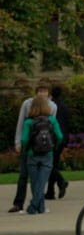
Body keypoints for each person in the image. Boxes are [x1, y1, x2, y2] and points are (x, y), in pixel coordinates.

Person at [9, 81, 57, 214]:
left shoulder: (52, 106)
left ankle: (38, 205)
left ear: (49, 93)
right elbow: (21, 123)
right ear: (36, 92)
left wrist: (50, 145)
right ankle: (19, 203)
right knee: (23, 175)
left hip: (43, 147)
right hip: (29, 145)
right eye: (40, 91)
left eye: (45, 91)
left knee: (40, 179)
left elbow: (52, 128)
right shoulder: (27, 104)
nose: (42, 93)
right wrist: (18, 142)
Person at [19, 95, 62, 215]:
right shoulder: (52, 120)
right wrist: (54, 146)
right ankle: (40, 207)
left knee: (35, 182)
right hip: (48, 154)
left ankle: (33, 207)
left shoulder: (28, 122)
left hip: (32, 154)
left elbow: (24, 139)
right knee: (41, 183)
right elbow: (60, 136)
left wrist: (26, 150)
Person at [46, 86, 70, 201]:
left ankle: (61, 181)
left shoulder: (50, 106)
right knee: (53, 164)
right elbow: (67, 123)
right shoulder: (65, 106)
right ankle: (50, 192)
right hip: (63, 137)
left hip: (53, 137)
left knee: (48, 164)